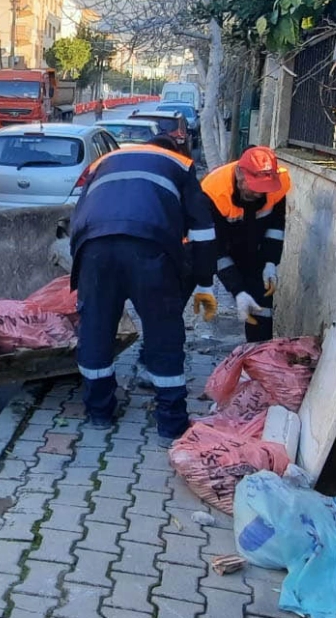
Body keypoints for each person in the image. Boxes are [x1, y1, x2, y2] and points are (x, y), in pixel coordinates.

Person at [68, 133, 220, 440]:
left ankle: (99, 413)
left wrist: (83, 266)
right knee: (163, 332)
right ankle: (171, 424)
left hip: (94, 249)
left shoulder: (104, 162)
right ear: (176, 150)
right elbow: (203, 231)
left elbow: (79, 216)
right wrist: (205, 282)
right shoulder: (181, 164)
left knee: (96, 328)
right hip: (150, 251)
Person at [200, 146, 291, 343]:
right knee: (176, 296)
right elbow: (217, 251)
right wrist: (238, 291)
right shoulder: (213, 191)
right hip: (205, 246)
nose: (259, 194)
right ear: (240, 173)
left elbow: (276, 227)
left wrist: (270, 262)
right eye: (254, 186)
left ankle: (258, 357)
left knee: (261, 307)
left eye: (263, 189)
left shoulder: (277, 185)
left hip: (252, 247)